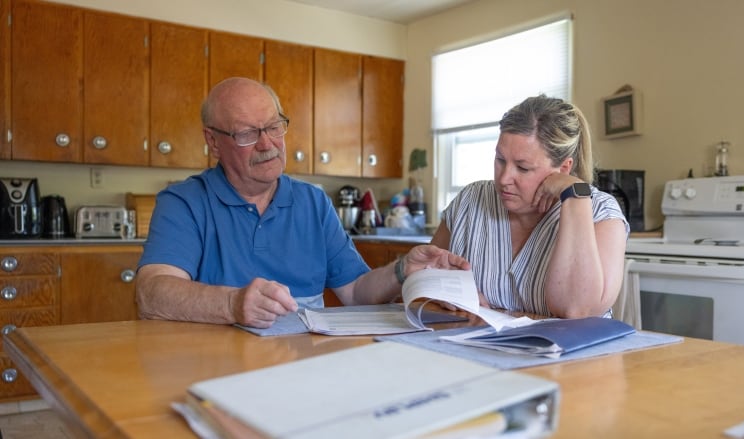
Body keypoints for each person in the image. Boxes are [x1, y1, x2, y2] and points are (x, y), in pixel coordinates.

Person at [135, 77, 470, 328]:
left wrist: (402, 271)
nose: (267, 144)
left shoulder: (313, 202)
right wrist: (233, 303)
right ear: (214, 141)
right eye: (247, 134)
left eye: (273, 126)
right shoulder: (183, 202)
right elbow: (151, 293)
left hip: (301, 368)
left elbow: (355, 291)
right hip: (212, 368)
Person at [430, 95, 629, 319]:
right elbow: (425, 273)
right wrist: (443, 291)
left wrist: (575, 196)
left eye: (523, 168)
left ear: (564, 168)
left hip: (573, 354)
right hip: (478, 349)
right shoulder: (470, 200)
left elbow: (576, 311)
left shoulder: (601, 213)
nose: (504, 178)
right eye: (500, 160)